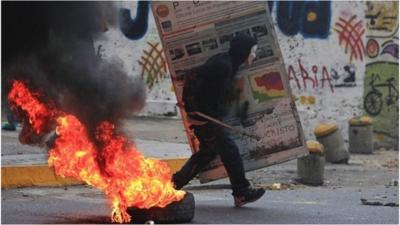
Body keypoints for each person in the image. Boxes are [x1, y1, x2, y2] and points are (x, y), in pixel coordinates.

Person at [172, 33, 265, 207]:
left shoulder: (230, 64)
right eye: (253, 51)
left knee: (208, 153)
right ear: (244, 51)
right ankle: (242, 192)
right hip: (205, 118)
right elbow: (191, 75)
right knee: (230, 151)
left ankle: (173, 184)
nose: (254, 54)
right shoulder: (223, 65)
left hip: (209, 116)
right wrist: (190, 105)